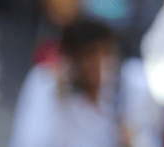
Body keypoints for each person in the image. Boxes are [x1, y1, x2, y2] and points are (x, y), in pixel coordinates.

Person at [9, 19, 122, 147]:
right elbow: (28, 142)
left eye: (106, 54)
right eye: (91, 55)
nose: (100, 64)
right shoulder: (45, 82)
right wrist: (56, 96)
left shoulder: (113, 99)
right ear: (71, 58)